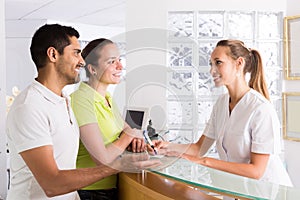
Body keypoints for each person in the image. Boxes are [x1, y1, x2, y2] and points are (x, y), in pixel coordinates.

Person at [6, 24, 161, 200]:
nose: (82, 61)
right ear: (53, 55)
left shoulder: (63, 100)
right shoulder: (29, 107)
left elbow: (66, 166)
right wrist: (118, 165)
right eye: (76, 53)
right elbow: (52, 184)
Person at [153, 39, 293, 187]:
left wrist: (203, 162)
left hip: (268, 192)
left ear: (239, 63)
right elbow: (199, 149)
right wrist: (166, 146)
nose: (211, 71)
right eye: (211, 64)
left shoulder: (260, 109)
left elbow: (256, 171)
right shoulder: (221, 103)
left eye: (218, 62)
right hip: (238, 190)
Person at [70, 38, 146, 199]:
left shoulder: (106, 97)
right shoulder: (81, 100)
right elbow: (101, 158)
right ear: (92, 69)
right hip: (90, 191)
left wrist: (132, 136)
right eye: (112, 61)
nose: (120, 66)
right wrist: (129, 136)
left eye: (119, 60)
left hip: (109, 186)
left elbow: (126, 129)